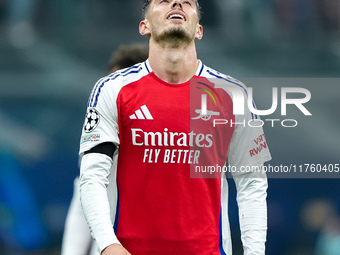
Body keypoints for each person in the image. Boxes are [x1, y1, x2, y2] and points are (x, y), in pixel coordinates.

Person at [79, 1, 271, 255]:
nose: (177, 3)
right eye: (163, 0)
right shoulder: (112, 89)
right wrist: (107, 244)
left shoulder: (234, 95)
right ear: (143, 26)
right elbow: (92, 177)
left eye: (188, 1)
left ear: (199, 30)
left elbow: (252, 184)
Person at [61, 43, 148, 255]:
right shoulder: (99, 142)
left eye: (120, 87)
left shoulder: (170, 143)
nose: (112, 94)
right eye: (110, 84)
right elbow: (82, 208)